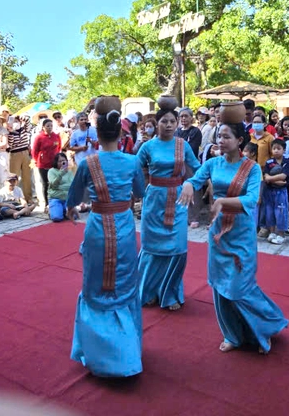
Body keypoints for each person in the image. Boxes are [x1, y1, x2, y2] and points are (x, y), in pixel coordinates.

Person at [179, 120, 288, 354]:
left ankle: (263, 329)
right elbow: (195, 180)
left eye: (227, 136)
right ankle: (232, 334)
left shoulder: (252, 168)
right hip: (218, 234)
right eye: (219, 136)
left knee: (241, 287)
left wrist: (222, 202)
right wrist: (188, 184)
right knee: (220, 286)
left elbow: (252, 199)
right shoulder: (212, 164)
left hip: (241, 233)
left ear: (240, 140)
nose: (221, 140)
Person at [66, 108, 146, 377]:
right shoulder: (132, 161)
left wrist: (71, 209)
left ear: (97, 135)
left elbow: (74, 195)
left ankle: (99, 354)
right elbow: (140, 191)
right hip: (123, 229)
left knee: (95, 285)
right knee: (123, 284)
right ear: (121, 134)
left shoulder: (88, 164)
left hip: (98, 228)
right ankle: (127, 350)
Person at [137, 107, 201, 311]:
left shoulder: (183, 145)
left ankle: (170, 292)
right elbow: (133, 169)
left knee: (178, 248)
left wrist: (193, 184)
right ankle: (148, 291)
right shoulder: (147, 147)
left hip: (179, 199)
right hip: (154, 199)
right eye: (164, 121)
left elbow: (199, 169)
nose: (169, 124)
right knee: (151, 248)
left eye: (172, 121)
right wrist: (136, 191)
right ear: (157, 123)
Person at [258, 139, 289, 244]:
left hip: (281, 192)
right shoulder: (269, 162)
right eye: (274, 148)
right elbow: (266, 175)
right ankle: (272, 232)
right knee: (269, 211)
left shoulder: (287, 162)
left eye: (279, 148)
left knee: (281, 212)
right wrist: (275, 180)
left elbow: (284, 176)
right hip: (269, 191)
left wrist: (271, 179)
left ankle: (281, 234)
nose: (276, 151)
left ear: (284, 150)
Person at [31, 118, 61, 209]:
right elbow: (35, 151)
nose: (50, 128)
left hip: (54, 163)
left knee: (55, 183)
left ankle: (56, 201)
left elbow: (59, 147)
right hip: (43, 164)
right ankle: (47, 204)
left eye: (51, 126)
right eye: (48, 126)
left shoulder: (56, 136)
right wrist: (37, 160)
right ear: (43, 127)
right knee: (46, 183)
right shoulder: (39, 137)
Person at [7, 115, 34, 203]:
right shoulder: (9, 132)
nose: (16, 123)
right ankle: (15, 197)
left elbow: (28, 122)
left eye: (17, 121)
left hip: (25, 153)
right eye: (14, 121)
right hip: (14, 154)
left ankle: (28, 197)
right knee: (14, 176)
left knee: (27, 176)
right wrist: (11, 131)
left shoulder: (25, 129)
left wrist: (20, 117)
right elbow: (11, 145)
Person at [47, 153, 73, 222]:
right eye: (60, 161)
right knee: (57, 218)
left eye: (64, 161)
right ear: (56, 162)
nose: (62, 163)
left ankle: (63, 210)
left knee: (73, 216)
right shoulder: (51, 171)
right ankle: (51, 209)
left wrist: (60, 187)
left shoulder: (69, 172)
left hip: (67, 198)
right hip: (56, 197)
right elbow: (53, 185)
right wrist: (61, 173)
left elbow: (72, 185)